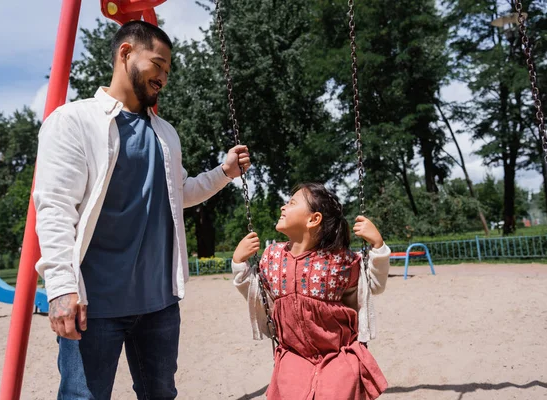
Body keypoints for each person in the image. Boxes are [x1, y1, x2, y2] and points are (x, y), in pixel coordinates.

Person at [33, 21, 250, 399]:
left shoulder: (165, 133)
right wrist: (61, 289)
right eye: (158, 64)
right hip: (93, 305)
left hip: (159, 304)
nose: (164, 77)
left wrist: (224, 173)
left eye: (168, 71)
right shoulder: (74, 121)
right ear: (126, 53)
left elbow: (178, 193)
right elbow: (54, 210)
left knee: (161, 395)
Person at [232, 183, 391, 400]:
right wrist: (239, 262)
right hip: (293, 354)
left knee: (340, 390)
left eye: (292, 203)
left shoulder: (338, 260)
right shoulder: (272, 257)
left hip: (337, 354)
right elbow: (256, 296)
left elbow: (372, 285)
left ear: (313, 219)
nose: (283, 207)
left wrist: (378, 246)